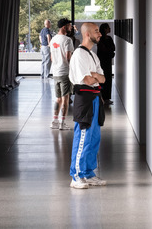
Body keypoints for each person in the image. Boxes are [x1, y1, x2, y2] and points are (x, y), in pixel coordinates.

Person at [69, 22, 107, 189]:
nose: (99, 34)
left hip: (95, 98)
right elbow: (87, 80)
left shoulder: (93, 55)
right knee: (83, 137)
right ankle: (76, 176)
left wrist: (95, 75)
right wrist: (94, 76)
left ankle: (88, 173)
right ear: (87, 34)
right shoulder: (78, 55)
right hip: (84, 99)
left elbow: (103, 79)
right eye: (96, 31)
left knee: (94, 139)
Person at [50, 18, 74, 130]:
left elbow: (51, 57)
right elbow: (68, 57)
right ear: (64, 27)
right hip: (65, 72)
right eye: (69, 25)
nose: (71, 27)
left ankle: (55, 121)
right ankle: (62, 123)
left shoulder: (53, 39)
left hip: (55, 72)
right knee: (65, 98)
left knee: (58, 98)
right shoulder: (67, 40)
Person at [97, 23, 115, 105]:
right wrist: (109, 51)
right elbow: (104, 49)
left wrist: (109, 51)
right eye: (108, 28)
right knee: (102, 79)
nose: (110, 29)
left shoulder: (109, 38)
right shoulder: (100, 39)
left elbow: (113, 48)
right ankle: (102, 97)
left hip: (107, 61)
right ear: (105, 29)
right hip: (102, 62)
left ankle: (106, 98)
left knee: (108, 79)